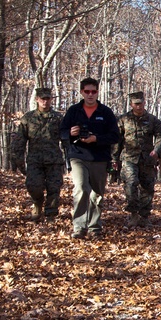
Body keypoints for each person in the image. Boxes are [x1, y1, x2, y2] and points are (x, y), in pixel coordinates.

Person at [60, 77, 120, 239]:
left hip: (100, 158)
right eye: (87, 91)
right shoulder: (73, 111)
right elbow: (61, 132)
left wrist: (96, 139)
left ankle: (94, 228)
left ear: (97, 92)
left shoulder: (105, 112)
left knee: (97, 194)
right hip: (78, 155)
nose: (90, 95)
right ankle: (79, 227)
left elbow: (115, 136)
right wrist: (70, 133)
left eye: (93, 91)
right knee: (81, 188)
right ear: (81, 92)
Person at [9, 87, 65, 222]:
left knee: (54, 188)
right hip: (35, 160)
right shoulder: (28, 118)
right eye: (42, 99)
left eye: (47, 99)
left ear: (51, 99)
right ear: (37, 100)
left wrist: (71, 157)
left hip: (54, 160)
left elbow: (66, 139)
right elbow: (20, 140)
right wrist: (18, 159)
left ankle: (50, 214)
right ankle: (37, 203)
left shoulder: (58, 118)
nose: (45, 102)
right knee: (33, 186)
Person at [115, 91, 161, 227]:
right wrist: (114, 158)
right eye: (136, 104)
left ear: (145, 103)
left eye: (141, 103)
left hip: (147, 158)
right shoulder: (123, 119)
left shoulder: (152, 120)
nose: (139, 106)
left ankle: (144, 216)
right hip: (129, 158)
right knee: (131, 183)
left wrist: (157, 150)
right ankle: (133, 214)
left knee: (147, 187)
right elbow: (117, 140)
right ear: (131, 104)